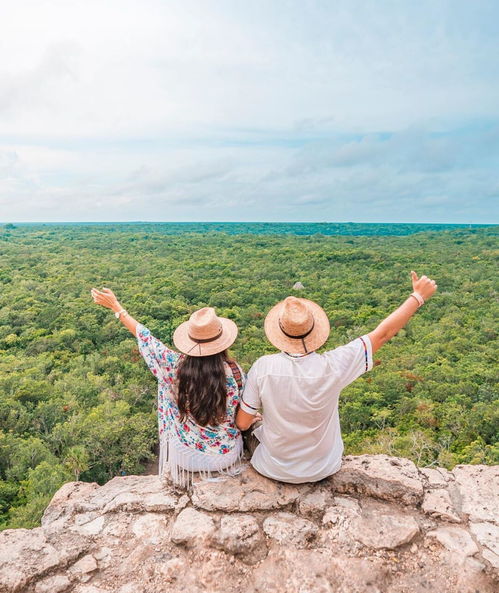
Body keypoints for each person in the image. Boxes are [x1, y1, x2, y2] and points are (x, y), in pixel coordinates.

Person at [236, 271, 437, 484]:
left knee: (252, 429)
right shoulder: (334, 366)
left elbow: (241, 423)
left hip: (272, 467)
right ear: (315, 331)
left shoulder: (263, 367)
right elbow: (383, 334)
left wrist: (258, 419)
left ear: (279, 333)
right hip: (324, 466)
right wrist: (417, 297)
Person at [91, 287, 246, 486]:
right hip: (224, 457)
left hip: (185, 456)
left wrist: (117, 307)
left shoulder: (174, 365)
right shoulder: (235, 373)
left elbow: (145, 337)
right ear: (222, 342)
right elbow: (242, 415)